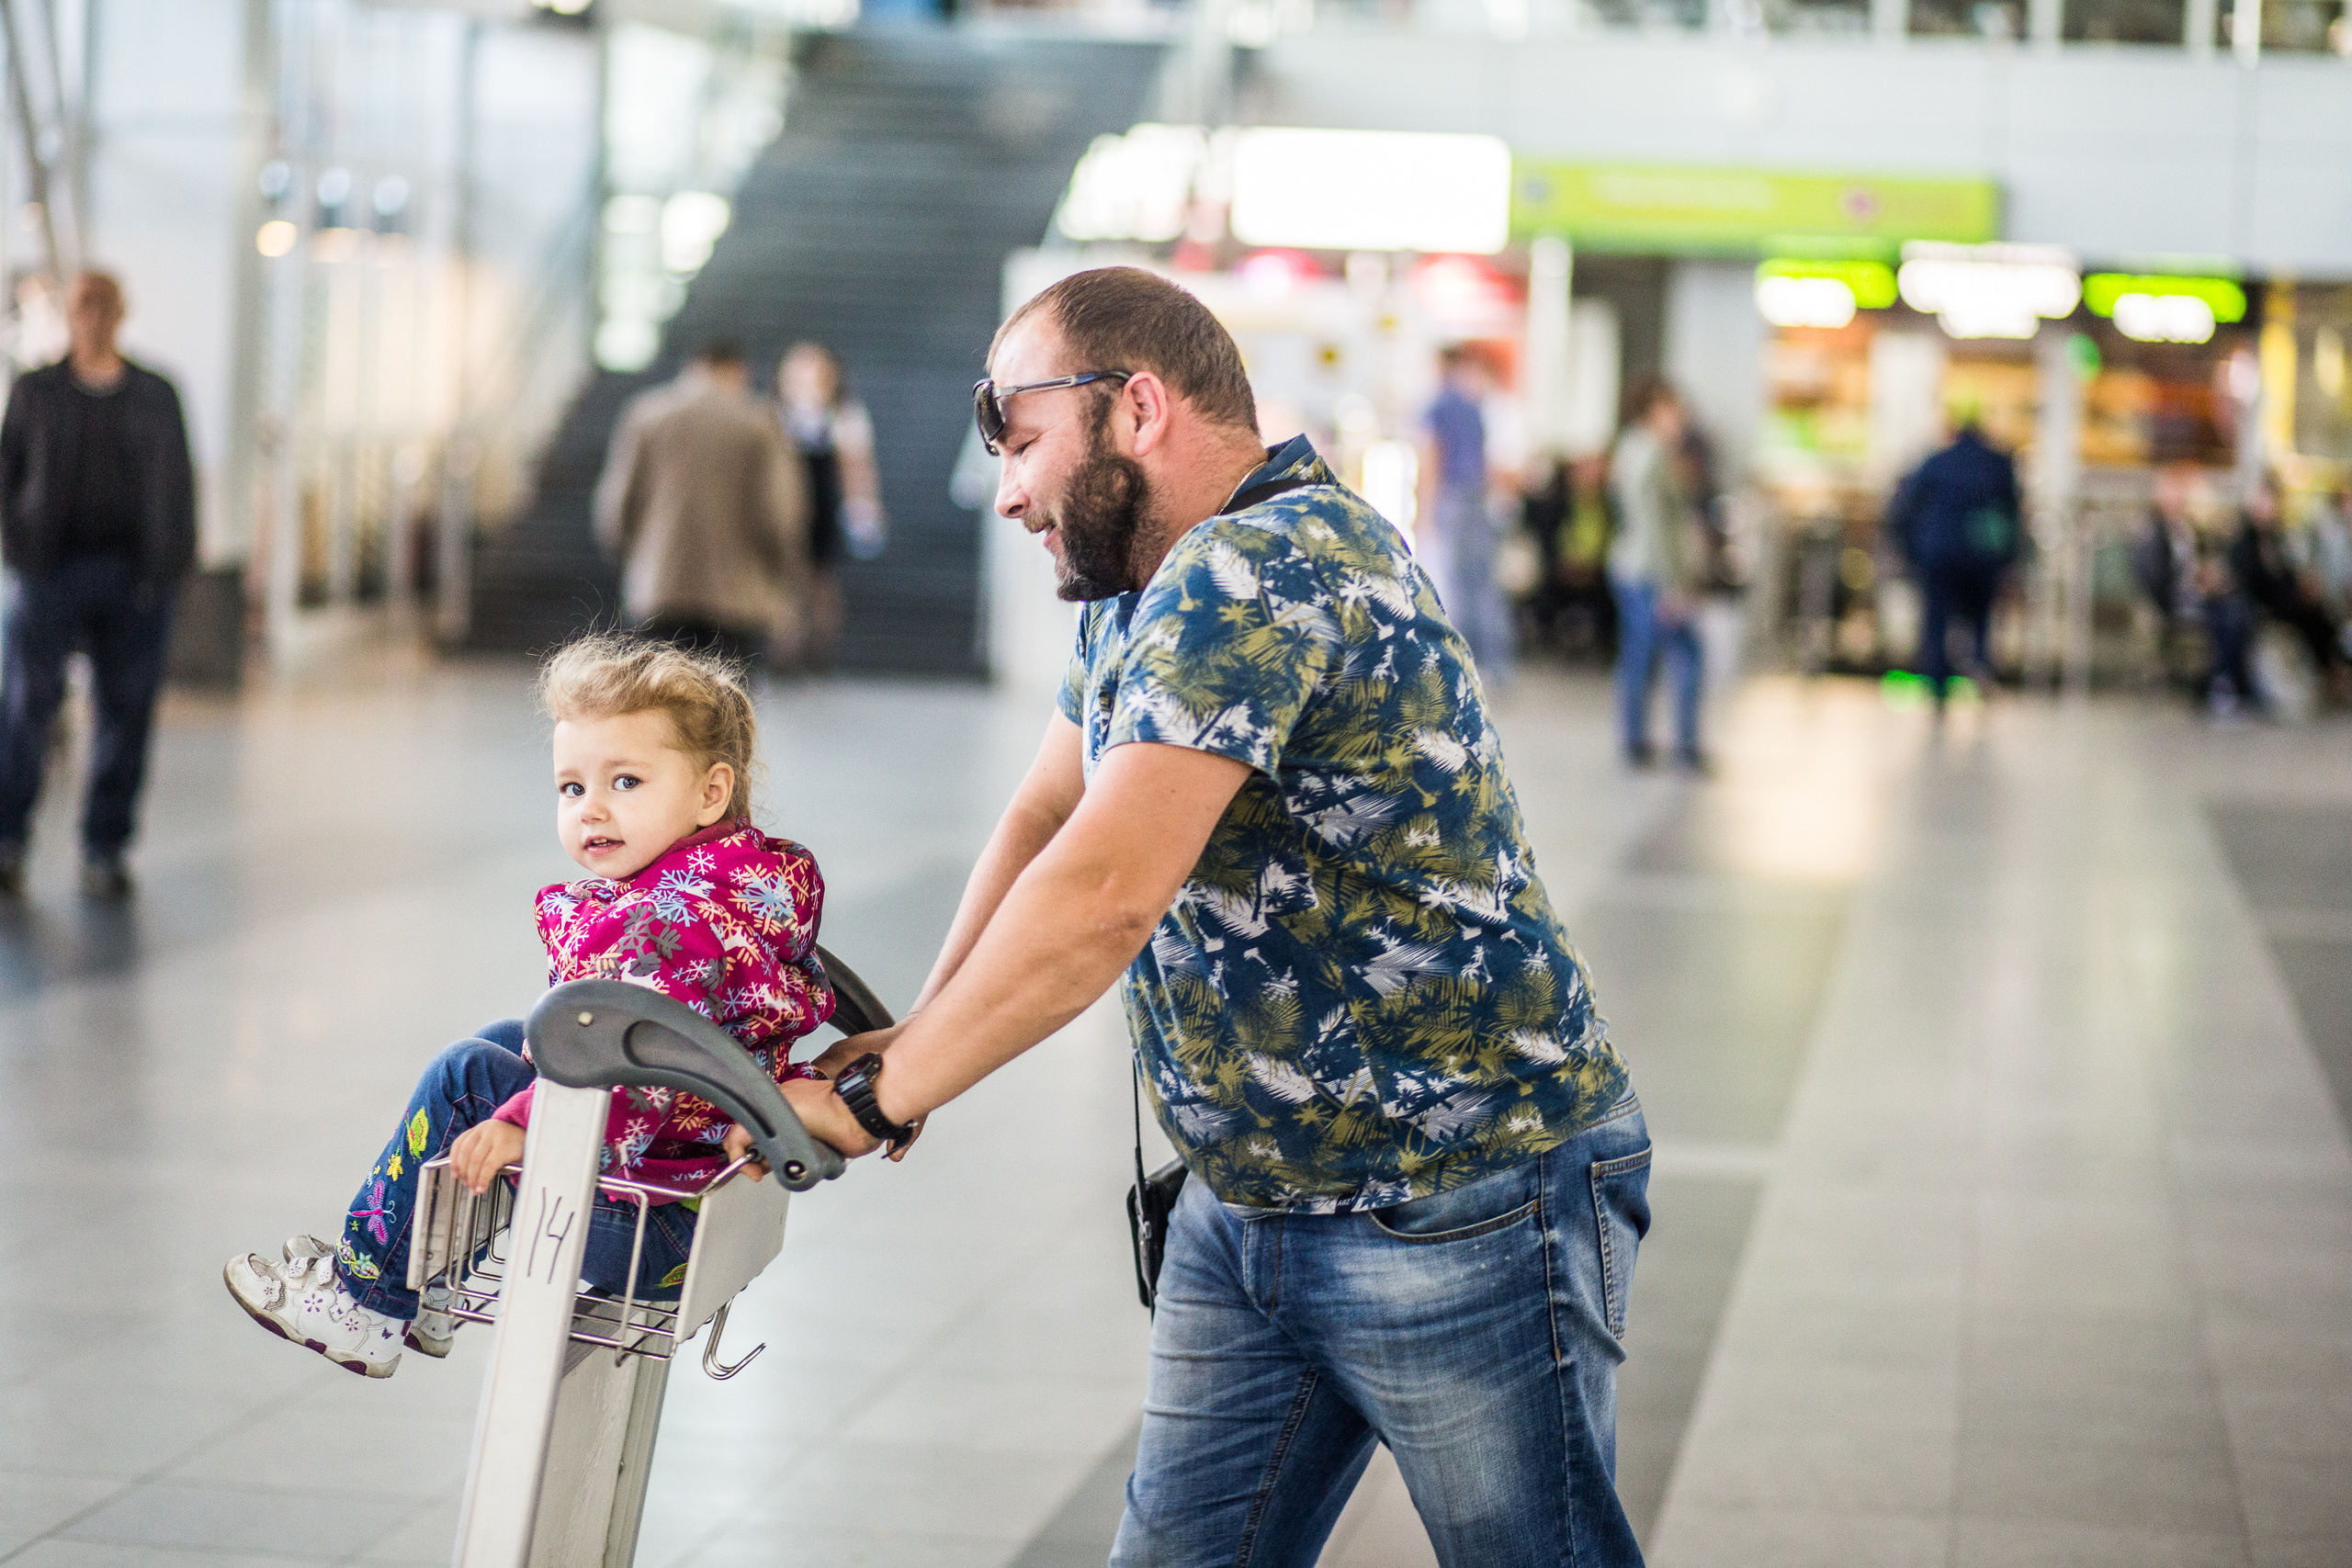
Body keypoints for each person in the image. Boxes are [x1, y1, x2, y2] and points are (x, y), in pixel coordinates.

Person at [785, 267, 1648, 1567]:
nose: (1008, 490)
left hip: (1456, 1196)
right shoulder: (1143, 582)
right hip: (1250, 1202)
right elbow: (1046, 816)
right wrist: (912, 1038)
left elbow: (1104, 894)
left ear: (1137, 408)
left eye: (1022, 442)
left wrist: (881, 1095)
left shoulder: (1258, 567)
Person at [222, 636, 838, 1378]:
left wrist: (526, 1124)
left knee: (466, 1077)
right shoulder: (743, 886)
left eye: (626, 781)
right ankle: (429, 1274)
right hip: (700, 1193)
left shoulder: (667, 927)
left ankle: (365, 1299)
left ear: (711, 792)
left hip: (648, 1224)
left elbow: (637, 1075)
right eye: (572, 787)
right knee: (507, 1040)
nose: (592, 808)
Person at [0, 270, 196, 899]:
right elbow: (7, 476)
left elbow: (179, 485)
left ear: (121, 312)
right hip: (49, 574)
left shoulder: (156, 395)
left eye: (104, 303)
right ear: (69, 312)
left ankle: (104, 848)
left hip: (132, 579)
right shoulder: (36, 392)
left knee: (126, 713)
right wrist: (19, 554)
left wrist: (169, 568)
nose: (93, 314)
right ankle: (7, 840)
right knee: (25, 707)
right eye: (84, 303)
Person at [594, 341, 806, 667]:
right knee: (727, 693)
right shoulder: (760, 423)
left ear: (692, 367)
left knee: (661, 690)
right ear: (738, 371)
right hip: (740, 594)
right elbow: (778, 514)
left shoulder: (647, 415)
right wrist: (782, 572)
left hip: (661, 586)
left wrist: (635, 560)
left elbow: (617, 505)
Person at [1885, 409, 2022, 713]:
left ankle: (1937, 686)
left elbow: (1904, 509)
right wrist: (2009, 560)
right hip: (1983, 553)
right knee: (1981, 617)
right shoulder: (1998, 464)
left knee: (1936, 619)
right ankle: (1980, 668)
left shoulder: (1935, 461)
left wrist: (1911, 552)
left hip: (1939, 553)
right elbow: (2012, 514)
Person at [1608, 379, 1708, 767]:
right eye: (1672, 408)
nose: (1679, 417)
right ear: (1653, 411)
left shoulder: (1632, 448)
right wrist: (1671, 585)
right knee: (1687, 654)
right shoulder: (1650, 452)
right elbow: (1653, 524)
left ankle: (1636, 740)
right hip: (1650, 573)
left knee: (1640, 656)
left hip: (1635, 568)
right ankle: (1684, 745)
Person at [777, 342, 885, 672]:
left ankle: (817, 653)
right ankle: (786, 652)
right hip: (786, 509)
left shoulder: (844, 415)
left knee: (822, 584)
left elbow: (858, 467)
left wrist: (864, 512)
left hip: (824, 508)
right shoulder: (777, 415)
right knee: (787, 583)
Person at [1416, 344, 1513, 684]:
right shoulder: (1474, 407)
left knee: (1456, 584)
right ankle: (1498, 664)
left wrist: (1424, 510)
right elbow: (1485, 459)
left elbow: (1432, 457)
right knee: (1485, 583)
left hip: (1452, 497)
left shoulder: (1438, 404)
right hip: (1477, 498)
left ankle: (1464, 663)